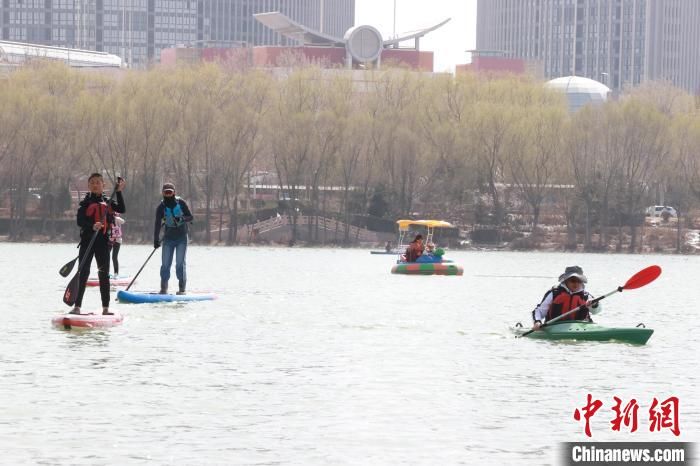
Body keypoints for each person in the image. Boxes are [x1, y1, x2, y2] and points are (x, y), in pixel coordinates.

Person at [70, 173, 126, 315]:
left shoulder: (108, 202)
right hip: (87, 241)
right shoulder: (85, 203)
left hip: (103, 243)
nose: (95, 185)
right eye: (92, 183)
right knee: (83, 273)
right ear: (89, 186)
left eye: (98, 182)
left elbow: (122, 209)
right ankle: (77, 306)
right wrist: (92, 225)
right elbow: (80, 221)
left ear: (103, 185)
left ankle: (105, 308)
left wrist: (118, 192)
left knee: (104, 274)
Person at [531, 266, 601, 330]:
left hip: (583, 327)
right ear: (566, 281)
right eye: (573, 280)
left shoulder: (586, 296)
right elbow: (539, 311)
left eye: (579, 281)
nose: (576, 284)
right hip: (555, 327)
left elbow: (596, 311)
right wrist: (537, 322)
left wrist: (594, 305)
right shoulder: (554, 293)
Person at [154, 183, 193, 295]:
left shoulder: (181, 203)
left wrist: (181, 219)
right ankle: (163, 289)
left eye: (170, 192)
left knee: (180, 264)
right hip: (168, 238)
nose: (168, 194)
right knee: (165, 264)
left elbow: (190, 217)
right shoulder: (161, 207)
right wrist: (156, 240)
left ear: (174, 192)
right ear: (163, 193)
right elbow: (157, 224)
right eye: (166, 192)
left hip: (181, 238)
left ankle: (181, 289)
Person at [110, 213, 125, 277]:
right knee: (108, 256)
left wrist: (115, 217)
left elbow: (123, 221)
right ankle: (106, 272)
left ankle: (116, 273)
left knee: (114, 257)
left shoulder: (117, 219)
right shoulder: (108, 218)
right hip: (110, 240)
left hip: (117, 240)